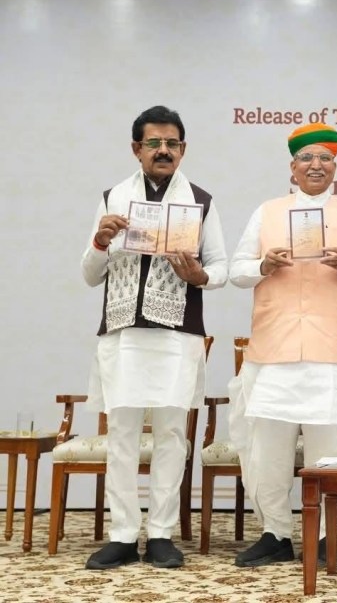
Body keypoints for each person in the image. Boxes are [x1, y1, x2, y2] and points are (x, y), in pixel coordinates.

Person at [228, 123, 337, 568]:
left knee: (327, 453)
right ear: (292, 167)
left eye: (325, 158)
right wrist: (264, 264)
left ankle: (321, 537)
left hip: (331, 353)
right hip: (274, 350)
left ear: (335, 167)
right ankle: (275, 533)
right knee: (269, 452)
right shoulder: (268, 212)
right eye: (307, 158)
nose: (316, 165)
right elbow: (237, 271)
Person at [82, 105, 228, 570]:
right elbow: (89, 274)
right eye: (154, 143)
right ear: (136, 149)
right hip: (123, 334)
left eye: (172, 143)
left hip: (177, 335)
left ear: (183, 149)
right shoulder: (113, 198)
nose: (163, 150)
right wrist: (100, 241)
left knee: (171, 435)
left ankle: (162, 533)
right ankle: (123, 535)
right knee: (122, 436)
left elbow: (221, 268)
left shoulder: (200, 200)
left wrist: (199, 275)